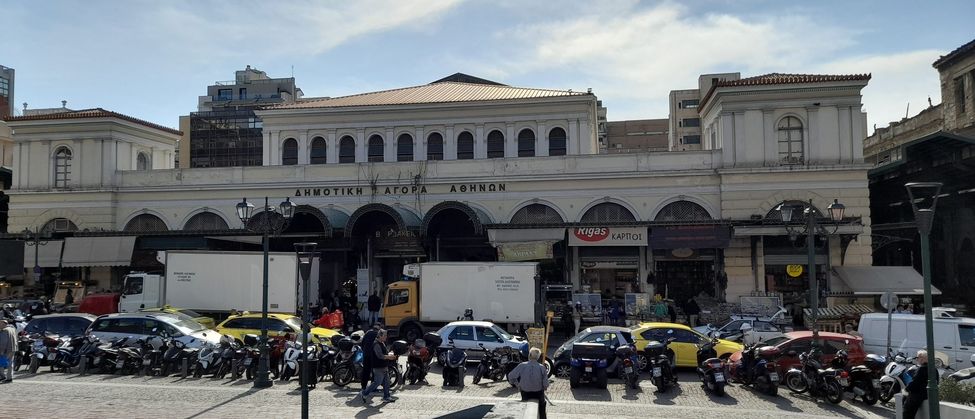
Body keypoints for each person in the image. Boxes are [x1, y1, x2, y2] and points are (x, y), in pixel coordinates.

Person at [357, 329, 397, 404]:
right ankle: (364, 393)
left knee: (387, 382)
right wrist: (389, 357)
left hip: (384, 366)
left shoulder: (382, 343)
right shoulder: (376, 344)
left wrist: (390, 353)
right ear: (380, 336)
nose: (386, 337)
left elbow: (384, 352)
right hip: (378, 367)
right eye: (385, 335)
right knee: (377, 382)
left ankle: (386, 397)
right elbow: (380, 356)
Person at [508, 347, 549, 419]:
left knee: (525, 408)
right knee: (542, 407)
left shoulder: (522, 365)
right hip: (538, 392)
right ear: (538, 357)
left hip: (525, 392)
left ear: (529, 355)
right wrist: (544, 386)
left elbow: (510, 376)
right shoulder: (542, 367)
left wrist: (518, 385)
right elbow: (545, 384)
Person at [903, 349, 935, 419]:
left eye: (917, 358)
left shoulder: (921, 369)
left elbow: (914, 382)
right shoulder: (934, 369)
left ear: (922, 358)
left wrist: (906, 389)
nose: (917, 360)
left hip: (917, 395)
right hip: (928, 395)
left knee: (907, 413)